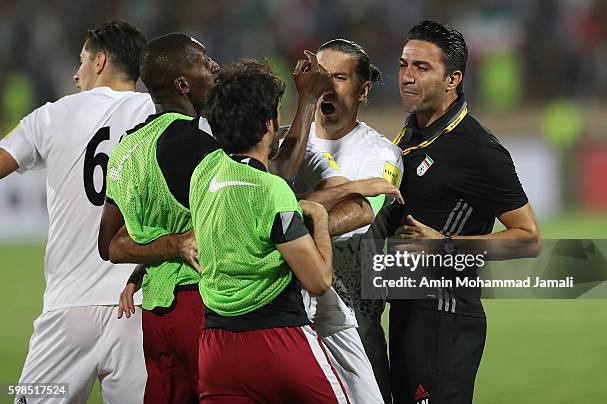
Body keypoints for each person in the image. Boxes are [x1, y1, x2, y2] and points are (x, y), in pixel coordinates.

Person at [98, 36, 334, 402]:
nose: (215, 69)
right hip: (202, 304)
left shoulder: (128, 146)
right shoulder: (191, 145)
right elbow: (271, 178)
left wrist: (143, 268)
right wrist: (306, 100)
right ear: (182, 85)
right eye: (205, 63)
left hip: (156, 314)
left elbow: (110, 244)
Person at [376, 20, 541, 403]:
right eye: (403, 65)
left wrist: (446, 244)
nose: (407, 76)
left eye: (422, 68)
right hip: (407, 310)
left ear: (453, 79)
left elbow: (529, 238)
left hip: (443, 319)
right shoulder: (412, 131)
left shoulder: (477, 149)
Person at [0, 21, 151, 403]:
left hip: (68, 313)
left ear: (99, 61)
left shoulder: (51, 115)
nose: (75, 72)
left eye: (81, 60)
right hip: (140, 310)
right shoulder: (161, 116)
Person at [191, 59, 348, 403]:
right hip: (279, 342)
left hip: (216, 351)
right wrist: (319, 220)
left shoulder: (204, 173)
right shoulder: (272, 192)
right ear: (268, 124)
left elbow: (263, 169)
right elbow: (318, 281)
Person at [292, 39, 404, 404]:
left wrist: (280, 226)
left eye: (339, 78)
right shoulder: (286, 143)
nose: (326, 86)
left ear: (363, 90)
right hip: (290, 316)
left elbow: (361, 215)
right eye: (320, 77)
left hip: (355, 317)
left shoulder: (380, 154)